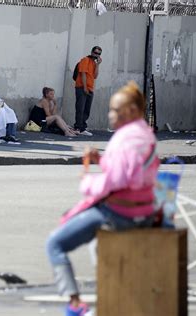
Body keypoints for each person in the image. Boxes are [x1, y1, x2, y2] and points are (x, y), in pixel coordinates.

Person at [46, 81, 159, 316]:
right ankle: (114, 298)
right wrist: (101, 159)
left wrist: (87, 183)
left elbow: (116, 180)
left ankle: (75, 304)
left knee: (55, 244)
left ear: (132, 111)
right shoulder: (144, 135)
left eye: (116, 110)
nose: (111, 115)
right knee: (98, 246)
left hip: (120, 213)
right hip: (144, 211)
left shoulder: (126, 138)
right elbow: (130, 171)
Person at [74, 46, 103, 136]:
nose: (96, 55)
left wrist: (98, 64)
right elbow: (83, 74)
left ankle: (82, 128)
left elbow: (95, 76)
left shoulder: (93, 63)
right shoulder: (85, 60)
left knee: (87, 109)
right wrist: (85, 87)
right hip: (82, 87)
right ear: (91, 51)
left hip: (90, 88)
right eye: (95, 52)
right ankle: (78, 128)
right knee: (80, 108)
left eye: (98, 54)